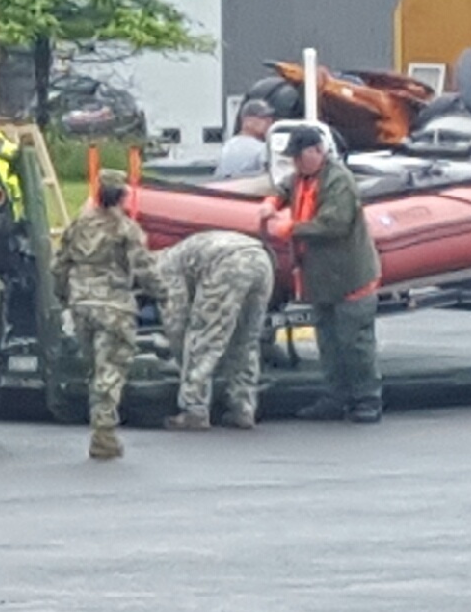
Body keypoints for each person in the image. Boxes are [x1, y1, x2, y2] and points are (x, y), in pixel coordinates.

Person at [54, 170, 163, 460]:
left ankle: (100, 425)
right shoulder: (126, 230)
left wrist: (64, 296)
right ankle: (104, 433)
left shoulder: (77, 226)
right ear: (122, 197)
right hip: (114, 307)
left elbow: (60, 264)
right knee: (111, 369)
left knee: (95, 368)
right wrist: (163, 294)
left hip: (82, 305)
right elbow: (144, 269)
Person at [281, 128, 383, 423]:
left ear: (316, 151)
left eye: (298, 157)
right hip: (323, 278)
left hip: (350, 277)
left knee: (355, 343)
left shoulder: (339, 181)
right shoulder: (302, 179)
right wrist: (271, 203)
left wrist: (291, 229)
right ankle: (336, 397)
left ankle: (367, 400)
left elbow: (334, 224)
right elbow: (284, 191)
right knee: (329, 342)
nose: (295, 164)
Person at [154, 229, 276, 430]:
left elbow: (176, 322)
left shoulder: (163, 268)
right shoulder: (180, 252)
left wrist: (179, 357)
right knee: (245, 340)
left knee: (204, 339)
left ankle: (195, 409)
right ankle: (242, 408)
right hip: (261, 259)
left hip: (228, 264)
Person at [215, 98, 278, 179]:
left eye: (270, 119)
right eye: (263, 118)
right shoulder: (262, 149)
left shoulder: (227, 146)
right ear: (247, 121)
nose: (269, 122)